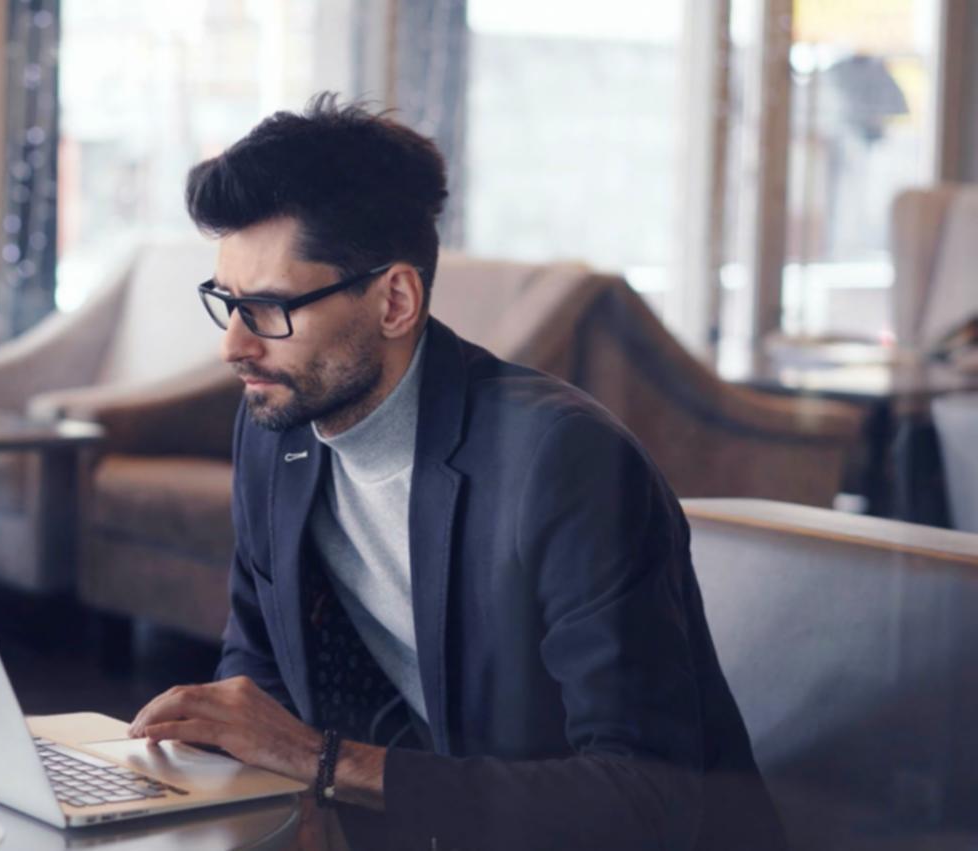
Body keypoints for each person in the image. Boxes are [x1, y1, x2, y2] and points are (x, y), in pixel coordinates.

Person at [127, 94, 786, 850]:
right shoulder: (278, 427)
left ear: (396, 300)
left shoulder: (565, 462)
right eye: (229, 303)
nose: (234, 346)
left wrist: (320, 763)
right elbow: (261, 662)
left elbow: (645, 796)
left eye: (271, 308)